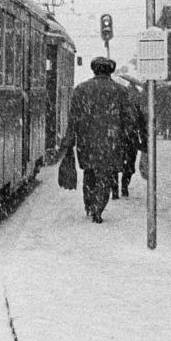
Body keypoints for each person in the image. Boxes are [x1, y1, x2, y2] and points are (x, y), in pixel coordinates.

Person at [55, 56, 138, 223]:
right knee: (105, 175)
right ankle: (99, 208)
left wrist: (69, 140)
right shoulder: (121, 91)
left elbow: (74, 118)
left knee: (90, 172)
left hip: (87, 141)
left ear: (94, 70)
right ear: (110, 71)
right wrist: (125, 135)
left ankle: (90, 204)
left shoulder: (81, 89)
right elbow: (130, 119)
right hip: (111, 141)